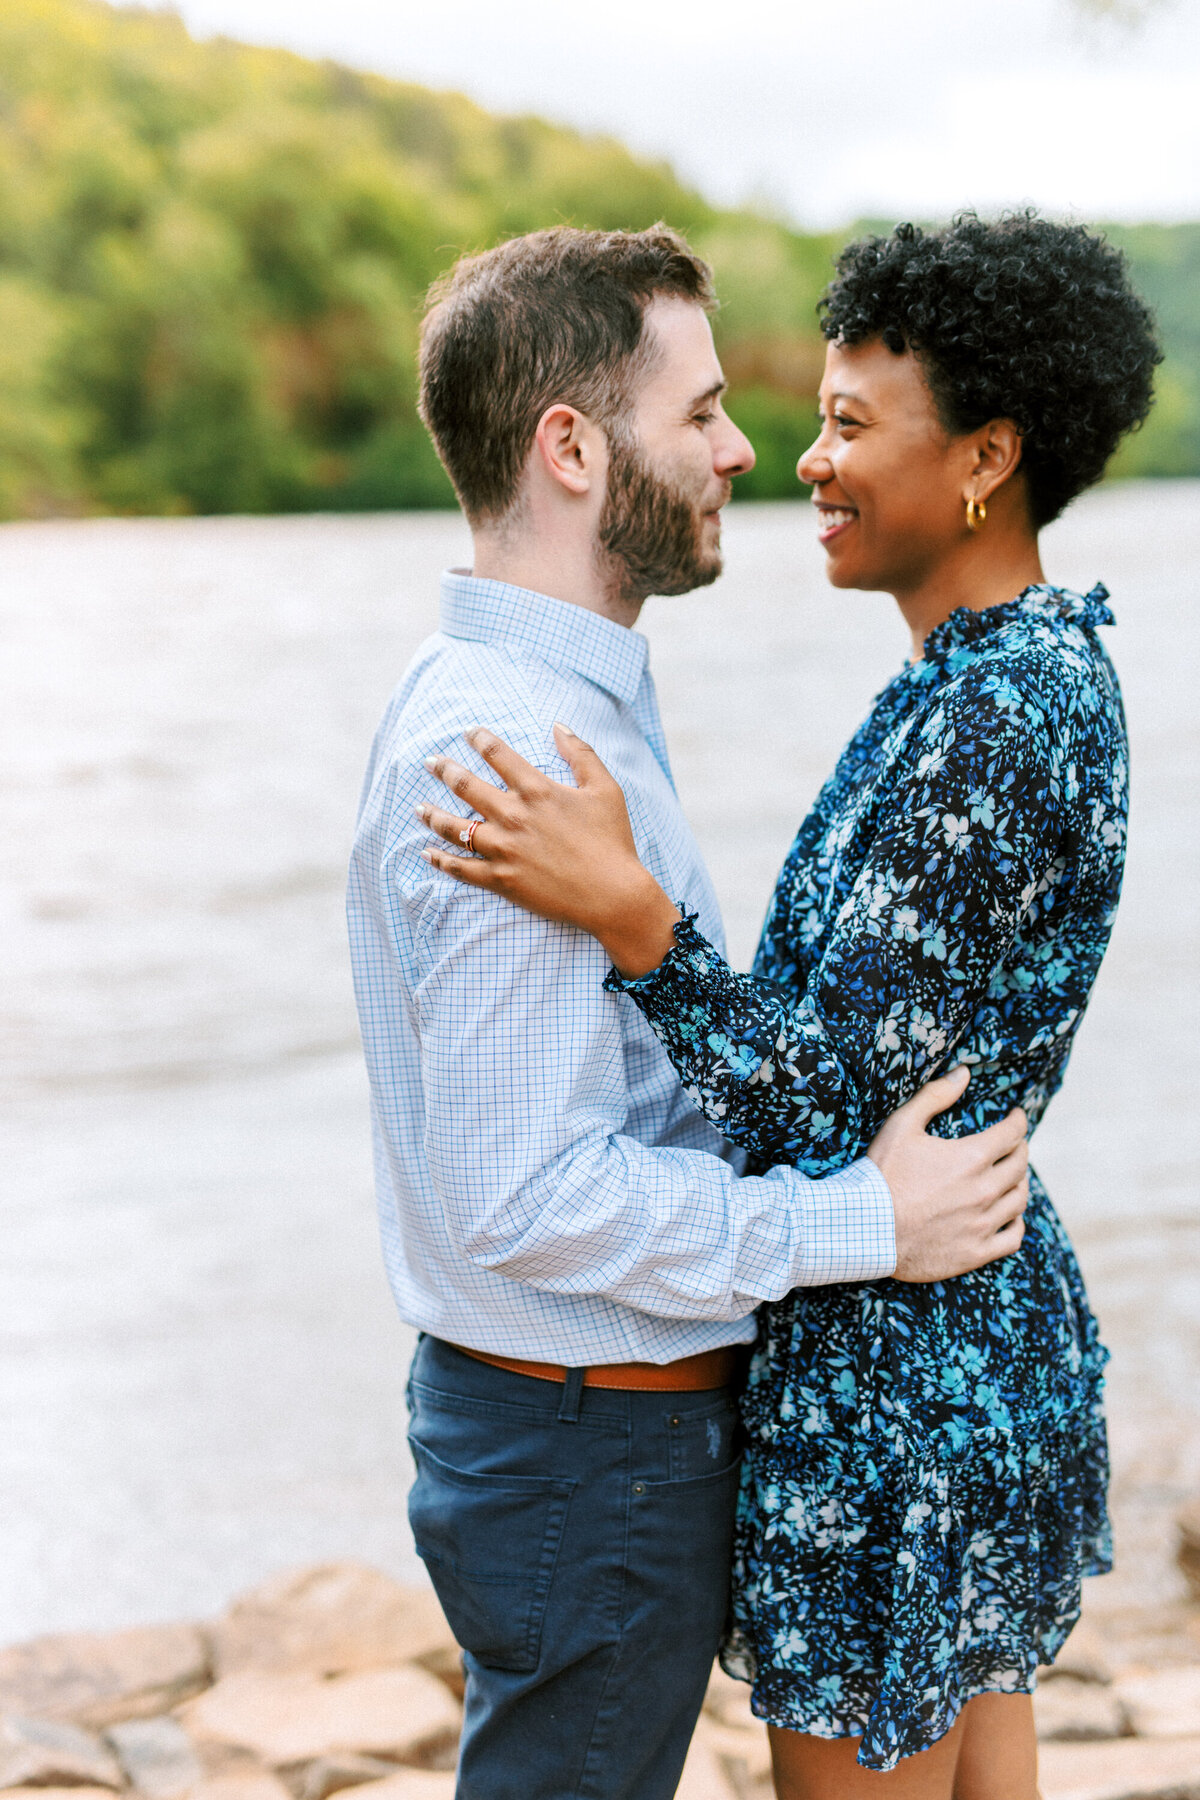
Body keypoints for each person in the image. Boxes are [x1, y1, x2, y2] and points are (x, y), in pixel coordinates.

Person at [417, 213, 1161, 1797]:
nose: (800, 459)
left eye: (845, 423)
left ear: (985, 459)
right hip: (959, 1329)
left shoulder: (993, 719)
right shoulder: (1001, 677)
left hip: (902, 1375)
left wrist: (635, 917)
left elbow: (818, 1107)